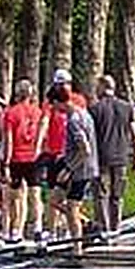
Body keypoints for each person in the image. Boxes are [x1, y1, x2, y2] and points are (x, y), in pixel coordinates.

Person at [36, 68, 87, 242]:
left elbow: (83, 135)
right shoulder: (50, 102)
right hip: (54, 152)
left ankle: (72, 229)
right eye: (58, 84)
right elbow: (44, 121)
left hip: (71, 156)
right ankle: (52, 229)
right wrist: (39, 146)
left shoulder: (78, 101)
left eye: (63, 84)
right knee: (54, 194)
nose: (61, 87)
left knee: (72, 198)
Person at [48, 84, 99, 253]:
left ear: (58, 102)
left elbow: (85, 149)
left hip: (81, 169)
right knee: (54, 200)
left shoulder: (75, 119)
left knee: (72, 206)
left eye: (53, 105)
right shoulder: (81, 113)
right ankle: (84, 222)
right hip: (72, 164)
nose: (53, 109)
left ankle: (77, 246)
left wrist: (68, 169)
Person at [88, 74, 135, 237]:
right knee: (117, 195)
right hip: (121, 156)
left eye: (97, 87)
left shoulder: (95, 109)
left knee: (101, 194)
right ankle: (115, 227)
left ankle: (104, 228)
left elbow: (90, 135)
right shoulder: (126, 107)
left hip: (101, 157)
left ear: (102, 87)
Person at [0, 79, 42, 244]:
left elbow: (9, 140)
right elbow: (40, 135)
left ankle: (17, 230)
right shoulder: (37, 112)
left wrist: (6, 163)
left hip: (17, 158)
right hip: (33, 157)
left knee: (17, 197)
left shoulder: (10, 113)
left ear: (17, 94)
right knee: (35, 193)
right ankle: (37, 226)